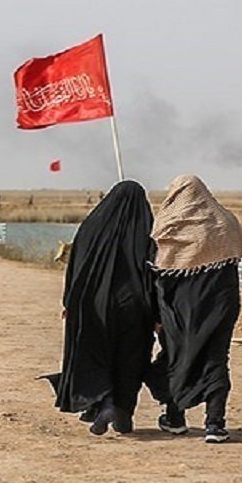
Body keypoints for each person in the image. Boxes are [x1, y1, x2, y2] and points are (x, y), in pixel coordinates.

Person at [42, 181, 159, 436]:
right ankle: (124, 412)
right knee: (131, 358)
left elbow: (76, 270)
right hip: (135, 306)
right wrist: (158, 315)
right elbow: (155, 276)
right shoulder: (146, 232)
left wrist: (69, 303)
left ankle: (105, 404)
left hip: (93, 305)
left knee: (96, 353)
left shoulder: (91, 228)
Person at [150, 174, 242, 443]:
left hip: (179, 307)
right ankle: (215, 424)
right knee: (216, 359)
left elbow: (155, 265)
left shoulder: (167, 223)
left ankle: (175, 417)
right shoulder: (225, 221)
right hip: (221, 303)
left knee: (175, 356)